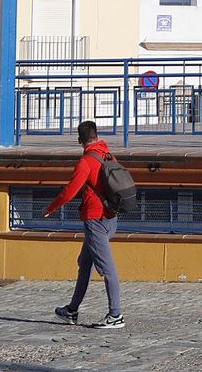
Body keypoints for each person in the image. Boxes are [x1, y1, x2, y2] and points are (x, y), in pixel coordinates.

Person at [44, 121, 124, 330]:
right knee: (85, 263)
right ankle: (71, 310)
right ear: (96, 136)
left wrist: (51, 208)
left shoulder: (86, 162)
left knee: (107, 269)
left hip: (95, 219)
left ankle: (116, 314)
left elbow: (70, 190)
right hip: (111, 217)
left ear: (79, 140)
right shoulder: (108, 155)